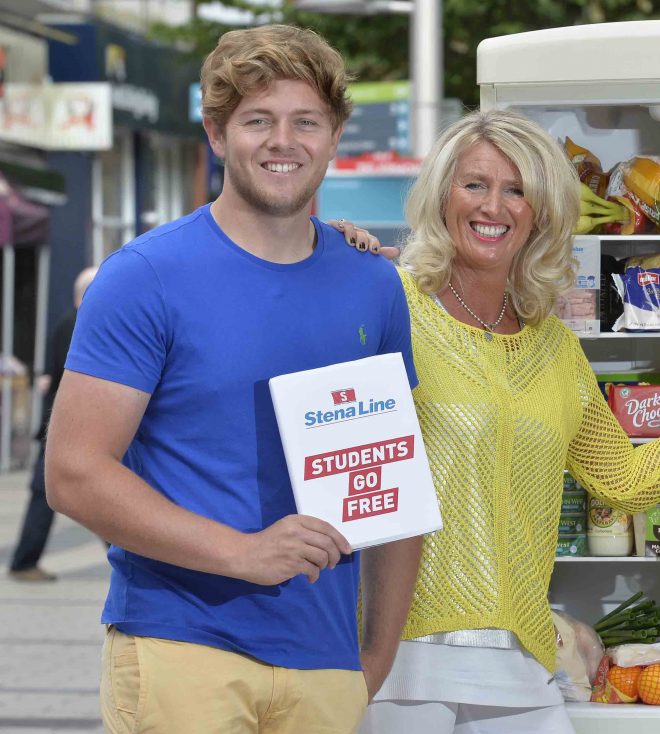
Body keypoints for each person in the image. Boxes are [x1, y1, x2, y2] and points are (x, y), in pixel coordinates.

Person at [337, 109, 660, 733]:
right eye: (475, 184)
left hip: (524, 663)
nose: (494, 206)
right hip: (399, 665)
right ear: (441, 195)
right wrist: (325, 255)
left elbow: (626, 481)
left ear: (543, 213)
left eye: (517, 189)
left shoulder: (554, 348)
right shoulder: (390, 304)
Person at [45, 25, 420, 734]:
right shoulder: (144, 276)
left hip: (326, 664)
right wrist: (243, 554)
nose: (284, 141)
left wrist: (374, 655)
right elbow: (73, 472)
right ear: (218, 135)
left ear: (335, 135)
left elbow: (394, 486)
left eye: (305, 121)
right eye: (258, 120)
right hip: (182, 648)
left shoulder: (374, 285)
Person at [7, 266, 97, 582]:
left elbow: (53, 376)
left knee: (97, 496)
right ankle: (23, 562)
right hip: (63, 428)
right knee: (47, 497)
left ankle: (24, 561)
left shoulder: (68, 324)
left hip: (62, 427)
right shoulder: (77, 325)